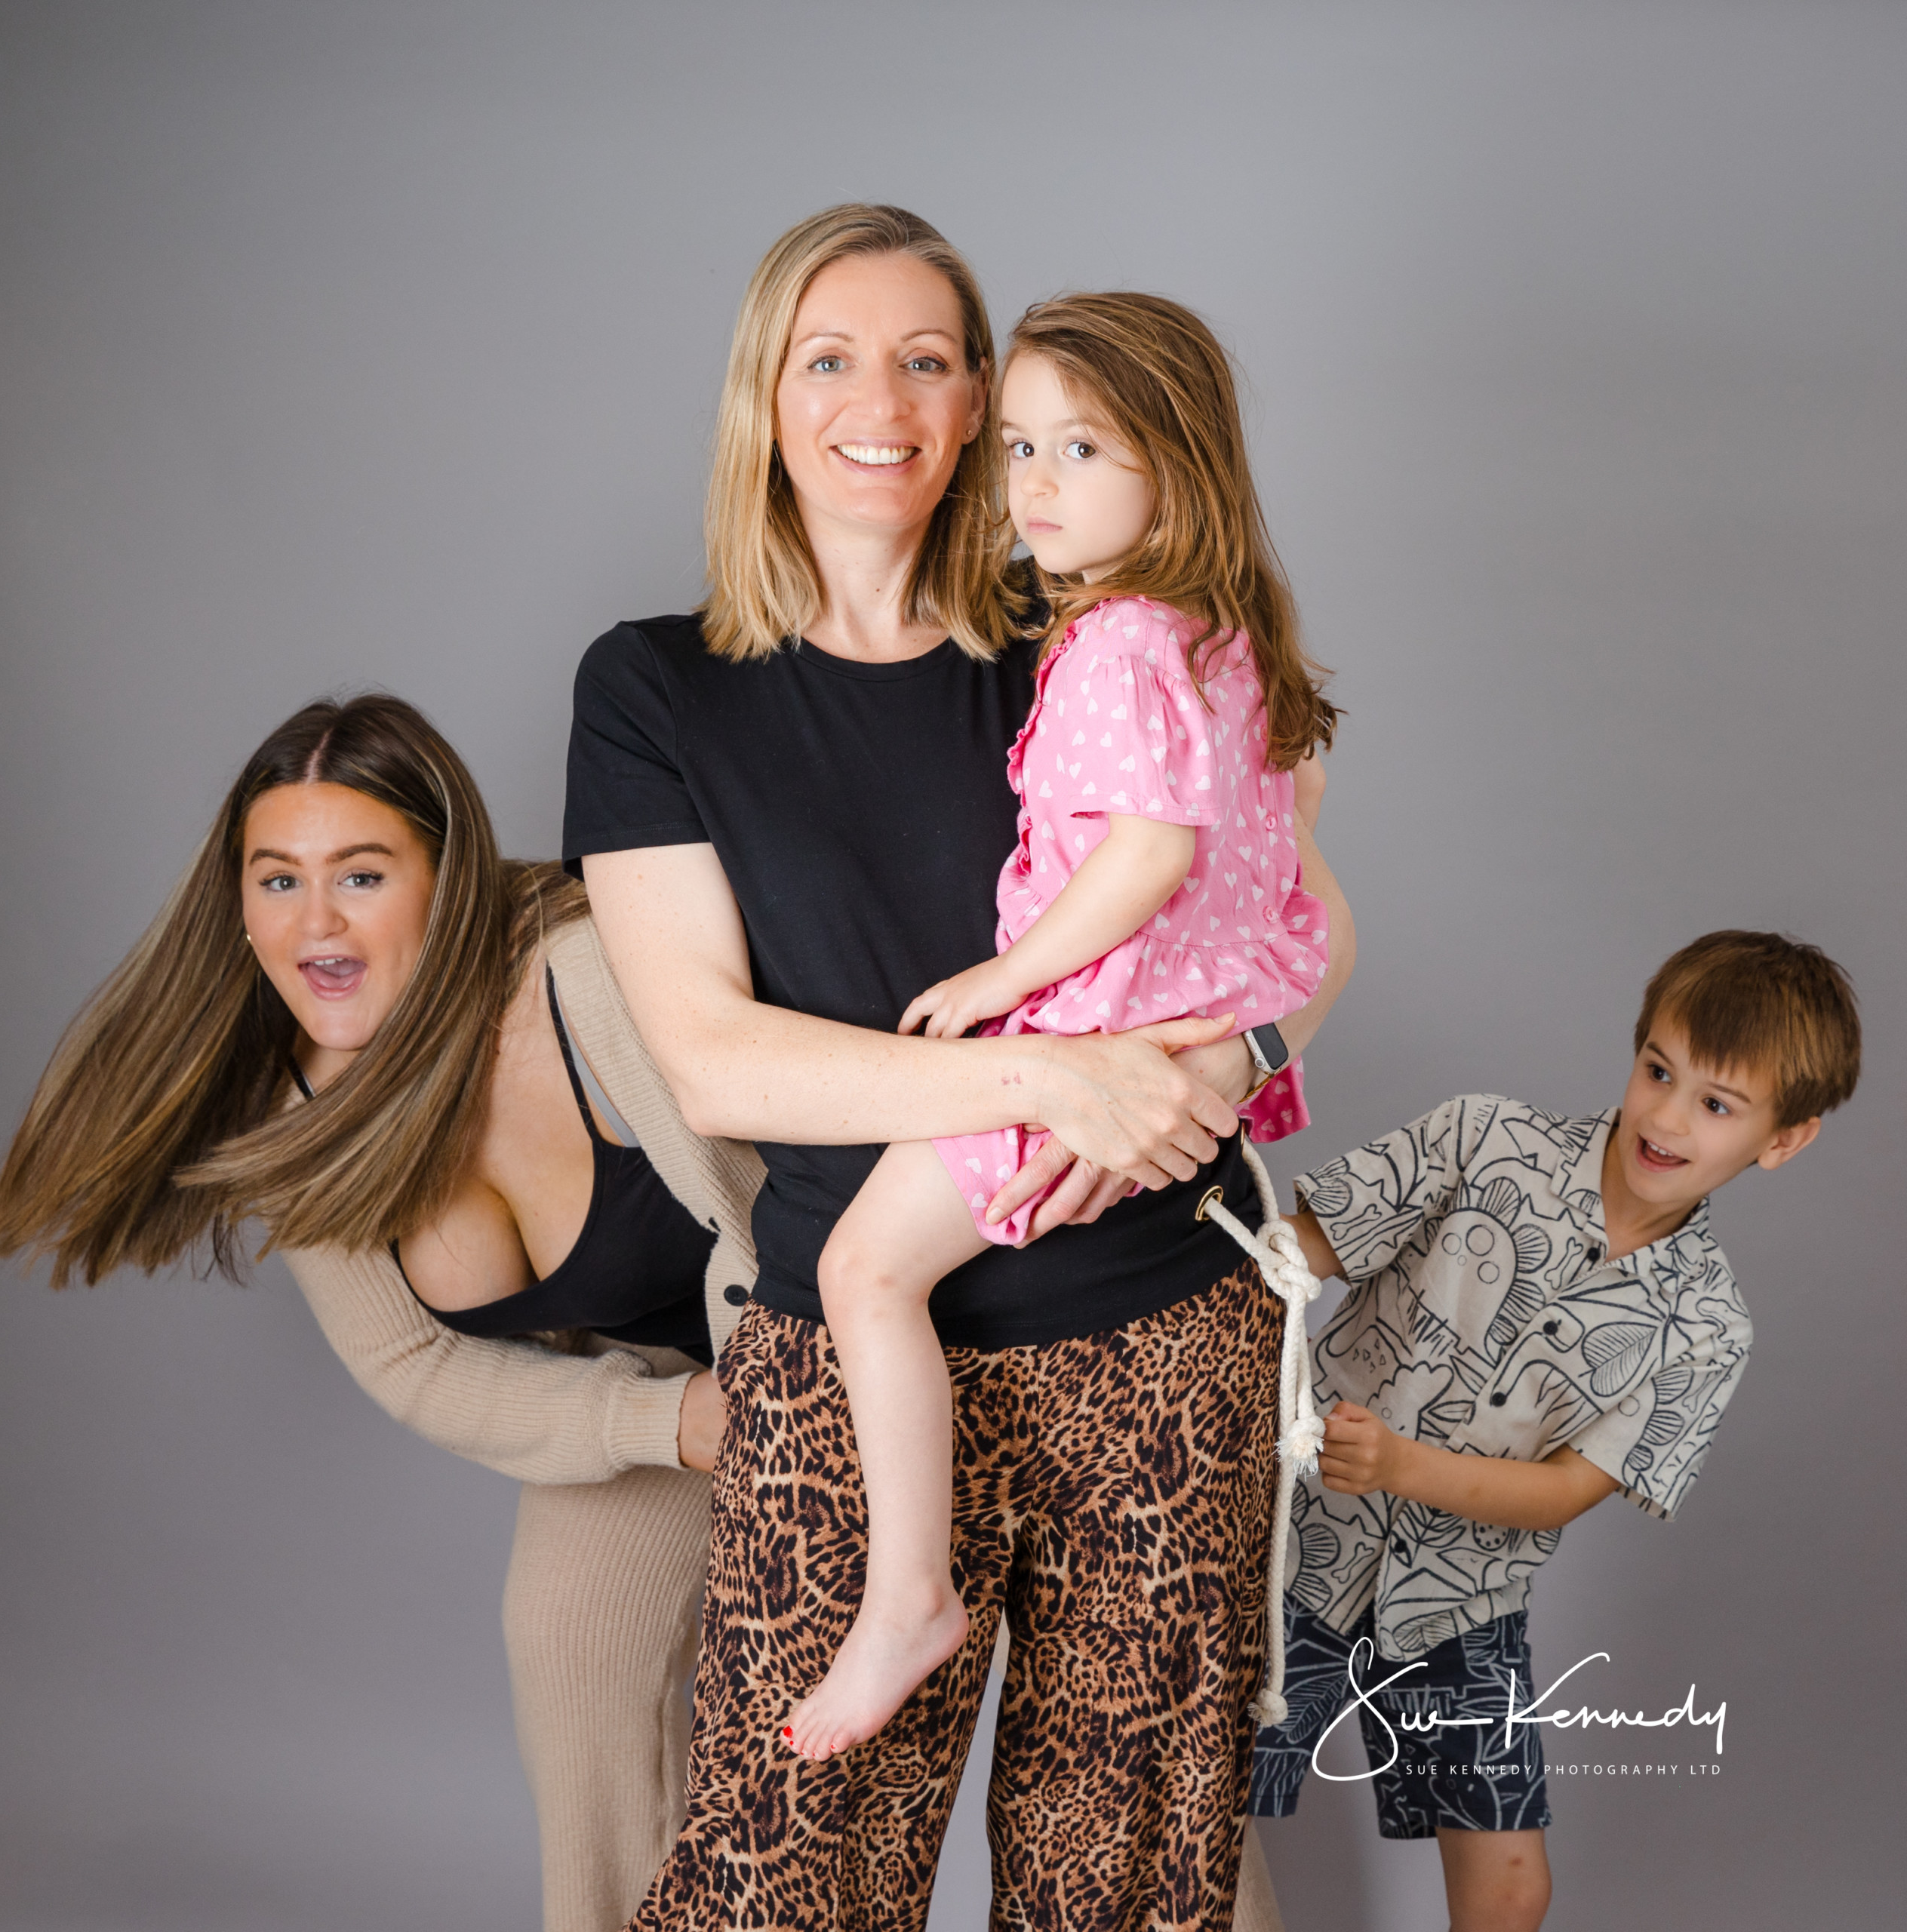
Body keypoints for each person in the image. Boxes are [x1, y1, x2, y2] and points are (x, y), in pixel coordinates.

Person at [567, 202, 1353, 1928]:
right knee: (782, 1876)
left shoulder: (1093, 629)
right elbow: (712, 1059)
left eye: (929, 359)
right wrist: (1047, 1081)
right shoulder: (655, 691)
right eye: (829, 357)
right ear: (761, 395)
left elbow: (1301, 916)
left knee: (1129, 1885)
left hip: (1155, 1330)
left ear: (986, 396)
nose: (883, 400)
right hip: (845, 1363)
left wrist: (1220, 1057)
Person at [0, 693, 765, 1932]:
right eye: (277, 880)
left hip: (862, 1331)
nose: (317, 923)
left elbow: (790, 1211)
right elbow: (411, 1366)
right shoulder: (299, 1109)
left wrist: (782, 1416)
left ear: (444, 885)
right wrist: (675, 1422)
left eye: (361, 874)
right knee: (563, 1641)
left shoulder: (582, 976)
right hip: (682, 1391)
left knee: (821, 1727)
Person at [785, 293, 1337, 1762]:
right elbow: (1277, 853)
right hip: (1190, 1026)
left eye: (1079, 448)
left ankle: (907, 1593)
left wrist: (994, 979)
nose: (1031, 484)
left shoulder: (1112, 645)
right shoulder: (1229, 637)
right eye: (1019, 445)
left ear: (1177, 465)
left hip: (1091, 1032)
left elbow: (1147, 851)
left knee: (860, 1266)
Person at [1238, 930, 1860, 1932]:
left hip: (1464, 1605)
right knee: (1195, 1817)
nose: (1664, 1114)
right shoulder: (1482, 1139)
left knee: (1515, 1885)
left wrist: (1400, 1464)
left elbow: (1568, 1489)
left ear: (1783, 1139)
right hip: (1295, 1555)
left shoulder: (1706, 1327)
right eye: (1658, 1069)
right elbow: (1293, 1255)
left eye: (1716, 1104)